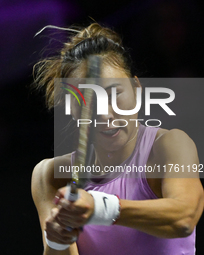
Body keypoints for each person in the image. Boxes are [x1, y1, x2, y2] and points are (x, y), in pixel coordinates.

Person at [31, 23, 204, 255]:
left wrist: (99, 208)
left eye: (114, 93)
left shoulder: (170, 146)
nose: (105, 113)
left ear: (136, 90)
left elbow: (184, 217)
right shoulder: (50, 176)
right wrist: (57, 240)